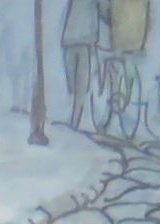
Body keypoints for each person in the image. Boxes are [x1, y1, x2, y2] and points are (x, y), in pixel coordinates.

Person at [62, 0, 111, 129]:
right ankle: (74, 122)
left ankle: (74, 122)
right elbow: (107, 14)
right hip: (84, 41)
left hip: (70, 38)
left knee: (75, 84)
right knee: (80, 86)